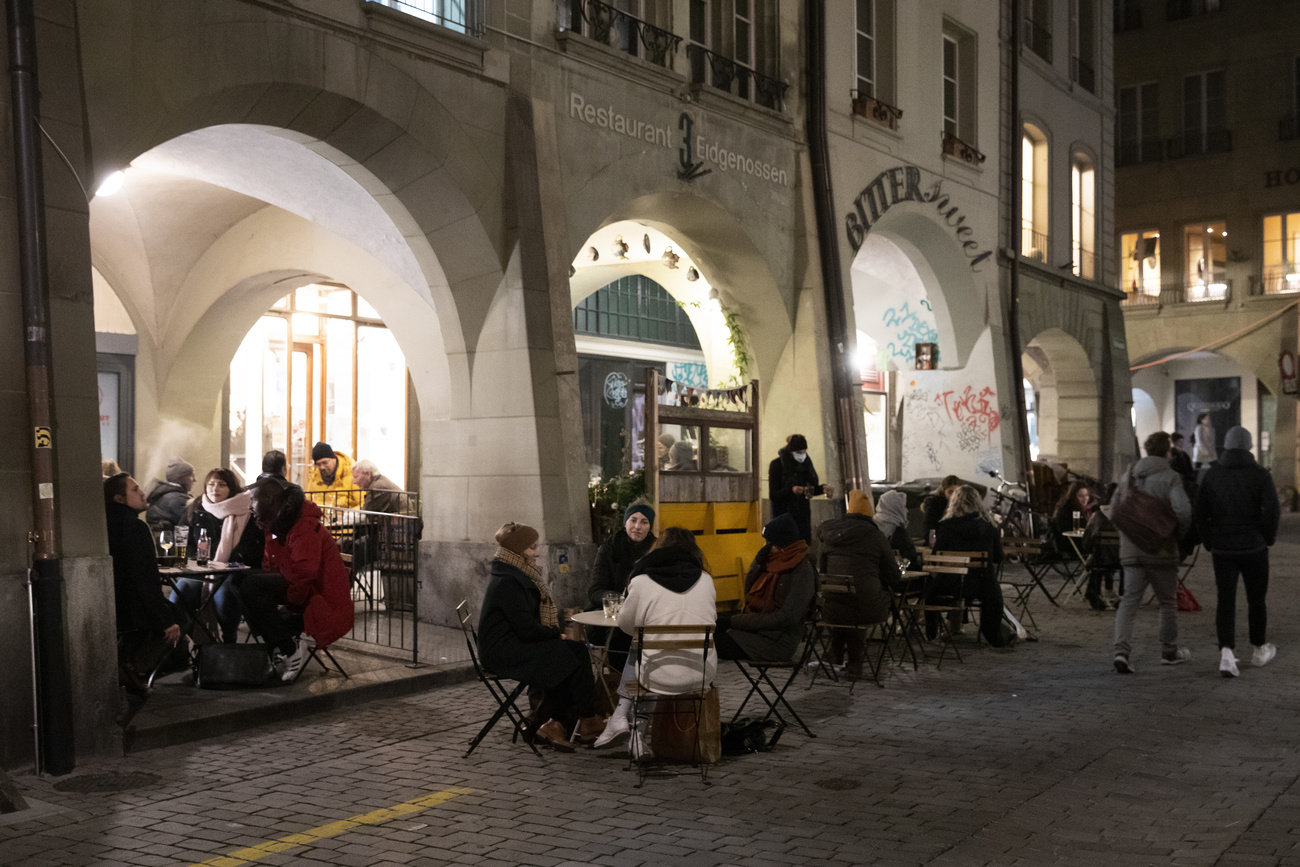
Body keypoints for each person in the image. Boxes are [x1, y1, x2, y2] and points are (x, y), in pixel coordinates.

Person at [477, 522, 604, 752]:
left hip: (512, 645)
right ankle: (581, 721)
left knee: (572, 654)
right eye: (531, 548)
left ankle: (564, 723)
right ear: (517, 551)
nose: (536, 552)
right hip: (502, 653)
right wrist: (556, 633)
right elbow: (526, 629)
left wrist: (555, 637)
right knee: (570, 654)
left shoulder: (514, 573)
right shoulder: (508, 581)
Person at [593, 527, 717, 759]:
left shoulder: (641, 581)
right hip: (701, 673)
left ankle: (621, 717)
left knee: (641, 649)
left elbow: (626, 626)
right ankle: (636, 737)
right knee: (648, 653)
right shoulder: (707, 580)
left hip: (655, 675)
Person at [236, 475, 354, 682]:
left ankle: (288, 648)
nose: (251, 507)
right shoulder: (276, 524)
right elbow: (270, 563)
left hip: (319, 599)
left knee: (251, 585)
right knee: (236, 580)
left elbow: (306, 573)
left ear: (271, 500)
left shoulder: (303, 525)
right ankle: (278, 643)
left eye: (253, 500)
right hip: (299, 587)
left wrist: (290, 605)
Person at [1193, 426, 1280, 678]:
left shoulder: (1212, 475)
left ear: (1226, 446)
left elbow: (1200, 513)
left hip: (1223, 548)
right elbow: (1272, 511)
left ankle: (1227, 654)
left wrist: (1210, 541)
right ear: (1249, 446)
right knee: (1256, 599)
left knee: (1225, 600)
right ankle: (1259, 648)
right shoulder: (1260, 474)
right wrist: (1267, 537)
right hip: (1254, 547)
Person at [1112, 431, 1193, 674]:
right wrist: (1177, 534)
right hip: (1161, 549)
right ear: (1167, 452)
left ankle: (1121, 652)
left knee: (1129, 602)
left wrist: (1130, 534)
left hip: (1132, 551)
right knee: (1167, 603)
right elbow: (1184, 511)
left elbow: (1114, 510)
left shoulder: (1129, 475)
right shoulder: (1171, 478)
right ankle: (1169, 652)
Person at [105, 473, 182, 697]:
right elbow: (145, 581)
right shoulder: (134, 527)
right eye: (135, 490)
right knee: (179, 617)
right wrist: (165, 622)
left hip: (112, 603)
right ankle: (133, 668)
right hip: (131, 609)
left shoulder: (104, 522)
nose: (142, 493)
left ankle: (129, 667)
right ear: (119, 498)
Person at [169, 468, 263, 644]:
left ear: (232, 488)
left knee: (224, 592)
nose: (215, 489)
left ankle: (228, 644)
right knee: (180, 591)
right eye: (211, 484)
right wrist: (192, 559)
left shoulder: (245, 511)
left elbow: (254, 548)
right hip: (199, 570)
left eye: (222, 484)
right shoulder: (196, 508)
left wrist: (234, 560)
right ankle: (178, 645)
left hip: (231, 572)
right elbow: (181, 539)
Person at [815, 490, 900, 680]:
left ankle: (835, 652)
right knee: (863, 599)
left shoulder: (829, 537)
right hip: (866, 609)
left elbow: (823, 571)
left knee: (846, 601)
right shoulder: (876, 536)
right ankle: (855, 662)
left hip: (831, 610)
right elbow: (893, 576)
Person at [715, 514, 817, 662]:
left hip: (776, 642)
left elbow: (786, 617)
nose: (767, 548)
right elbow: (749, 593)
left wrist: (735, 621)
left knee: (710, 643)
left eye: (771, 544)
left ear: (783, 546)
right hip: (755, 633)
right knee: (708, 634)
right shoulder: (771, 564)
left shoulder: (802, 570)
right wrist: (757, 563)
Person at [932, 485, 1011, 648]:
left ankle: (932, 632)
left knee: (929, 588)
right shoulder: (988, 526)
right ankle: (992, 634)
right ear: (978, 502)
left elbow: (936, 558)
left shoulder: (945, 527)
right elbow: (998, 557)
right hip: (983, 586)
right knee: (994, 593)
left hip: (950, 584)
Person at [587, 499, 657, 671]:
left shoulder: (656, 550)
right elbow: (595, 590)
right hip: (615, 614)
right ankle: (620, 681)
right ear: (625, 522)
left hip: (646, 612)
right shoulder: (608, 549)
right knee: (619, 633)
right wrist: (618, 600)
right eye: (633, 520)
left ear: (650, 526)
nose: (637, 526)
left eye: (644, 522)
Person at [768, 434, 827, 543]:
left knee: (802, 549)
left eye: (804, 452)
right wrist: (791, 490)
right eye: (798, 453)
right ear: (790, 452)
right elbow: (773, 495)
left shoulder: (805, 465)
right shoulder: (777, 465)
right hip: (783, 517)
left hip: (802, 518)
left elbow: (808, 490)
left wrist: (821, 489)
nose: (802, 456)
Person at [305, 442, 363, 509]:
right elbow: (308, 501)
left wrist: (348, 515)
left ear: (334, 459)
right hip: (320, 517)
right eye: (318, 464)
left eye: (325, 463)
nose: (322, 467)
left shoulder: (353, 474)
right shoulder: (315, 476)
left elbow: (363, 503)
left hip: (346, 517)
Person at [875, 489, 922, 568]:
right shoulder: (898, 531)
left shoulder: (872, 524)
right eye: (903, 506)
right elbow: (910, 558)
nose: (906, 510)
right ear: (896, 507)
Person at [145, 458, 194, 532]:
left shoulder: (160, 496)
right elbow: (195, 524)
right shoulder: (177, 500)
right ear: (182, 477)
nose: (195, 479)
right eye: (192, 476)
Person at [920, 475, 961, 542]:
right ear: (944, 491)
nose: (953, 495)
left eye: (956, 492)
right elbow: (928, 527)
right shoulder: (935, 504)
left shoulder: (962, 504)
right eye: (950, 492)